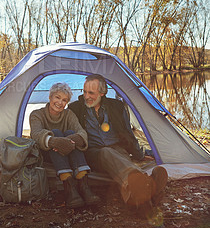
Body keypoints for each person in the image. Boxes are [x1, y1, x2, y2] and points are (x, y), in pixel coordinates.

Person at [69, 74, 168, 215]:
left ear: (102, 93)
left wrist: (139, 154)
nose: (86, 96)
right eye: (84, 91)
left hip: (118, 149)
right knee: (106, 153)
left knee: (118, 158)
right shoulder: (75, 108)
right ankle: (146, 182)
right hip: (93, 153)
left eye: (91, 93)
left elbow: (128, 133)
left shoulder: (116, 106)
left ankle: (141, 200)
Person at [30, 82, 100, 209]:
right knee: (55, 133)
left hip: (69, 150)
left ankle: (84, 185)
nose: (60, 102)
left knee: (71, 133)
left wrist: (70, 140)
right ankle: (69, 188)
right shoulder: (36, 114)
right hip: (46, 153)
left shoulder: (68, 114)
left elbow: (81, 132)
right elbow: (36, 134)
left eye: (64, 100)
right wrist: (55, 141)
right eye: (57, 97)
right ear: (50, 97)